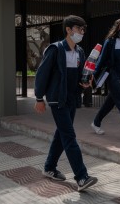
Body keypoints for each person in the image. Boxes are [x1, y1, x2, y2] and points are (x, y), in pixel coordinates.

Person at [34, 15, 98, 192]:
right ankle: (81, 177)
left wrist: (85, 82)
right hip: (57, 99)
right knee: (69, 136)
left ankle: (49, 167)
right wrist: (39, 98)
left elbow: (79, 75)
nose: (81, 32)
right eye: (78, 29)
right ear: (68, 30)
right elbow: (42, 74)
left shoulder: (80, 52)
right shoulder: (55, 49)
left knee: (62, 134)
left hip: (72, 98)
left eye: (83, 29)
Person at [91, 18, 120, 136]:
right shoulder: (110, 41)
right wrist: (93, 75)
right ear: (117, 27)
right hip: (112, 74)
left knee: (110, 103)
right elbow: (101, 59)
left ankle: (96, 122)